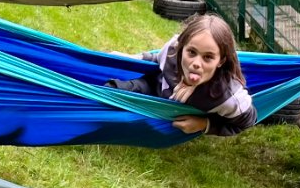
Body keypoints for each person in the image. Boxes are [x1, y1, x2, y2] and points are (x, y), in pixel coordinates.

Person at [107, 14, 256, 136]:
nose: (196, 63)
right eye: (191, 52)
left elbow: (247, 122)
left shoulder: (228, 98)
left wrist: (204, 124)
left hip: (175, 115)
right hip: (152, 91)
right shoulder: (173, 49)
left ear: (221, 61)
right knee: (110, 91)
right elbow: (156, 59)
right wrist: (127, 58)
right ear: (181, 48)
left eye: (208, 57)